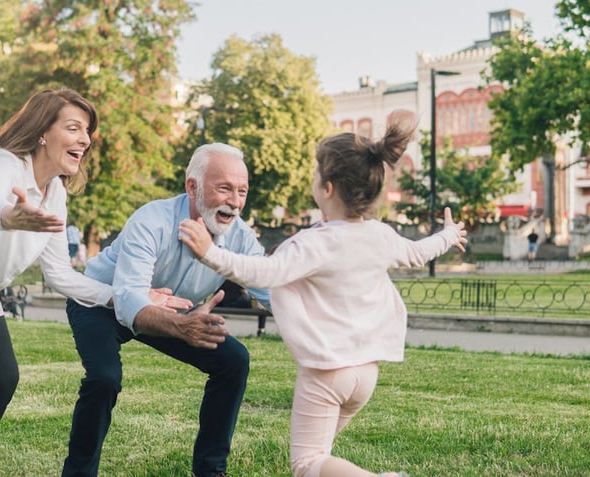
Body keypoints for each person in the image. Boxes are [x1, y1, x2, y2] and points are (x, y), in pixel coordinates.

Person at [0, 88, 186, 476]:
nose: (85, 139)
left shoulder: (54, 193)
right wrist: (8, 215)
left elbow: (60, 274)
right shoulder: (2, 163)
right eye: (73, 128)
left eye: (87, 131)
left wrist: (134, 298)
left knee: (3, 378)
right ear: (43, 132)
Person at [179, 121, 467, 477]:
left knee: (308, 463)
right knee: (323, 462)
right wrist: (449, 233)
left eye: (316, 172)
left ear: (327, 188)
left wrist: (211, 253)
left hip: (327, 373)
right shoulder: (381, 235)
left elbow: (263, 273)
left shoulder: (314, 244)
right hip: (366, 375)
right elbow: (419, 252)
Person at [62, 142, 271, 477]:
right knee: (104, 378)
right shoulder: (152, 220)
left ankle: (210, 471)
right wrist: (182, 326)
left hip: (168, 312)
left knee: (233, 360)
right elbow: (130, 300)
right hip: (101, 301)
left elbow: (271, 288)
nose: (235, 201)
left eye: (242, 191)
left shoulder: (239, 235)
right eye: (224, 189)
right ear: (193, 186)